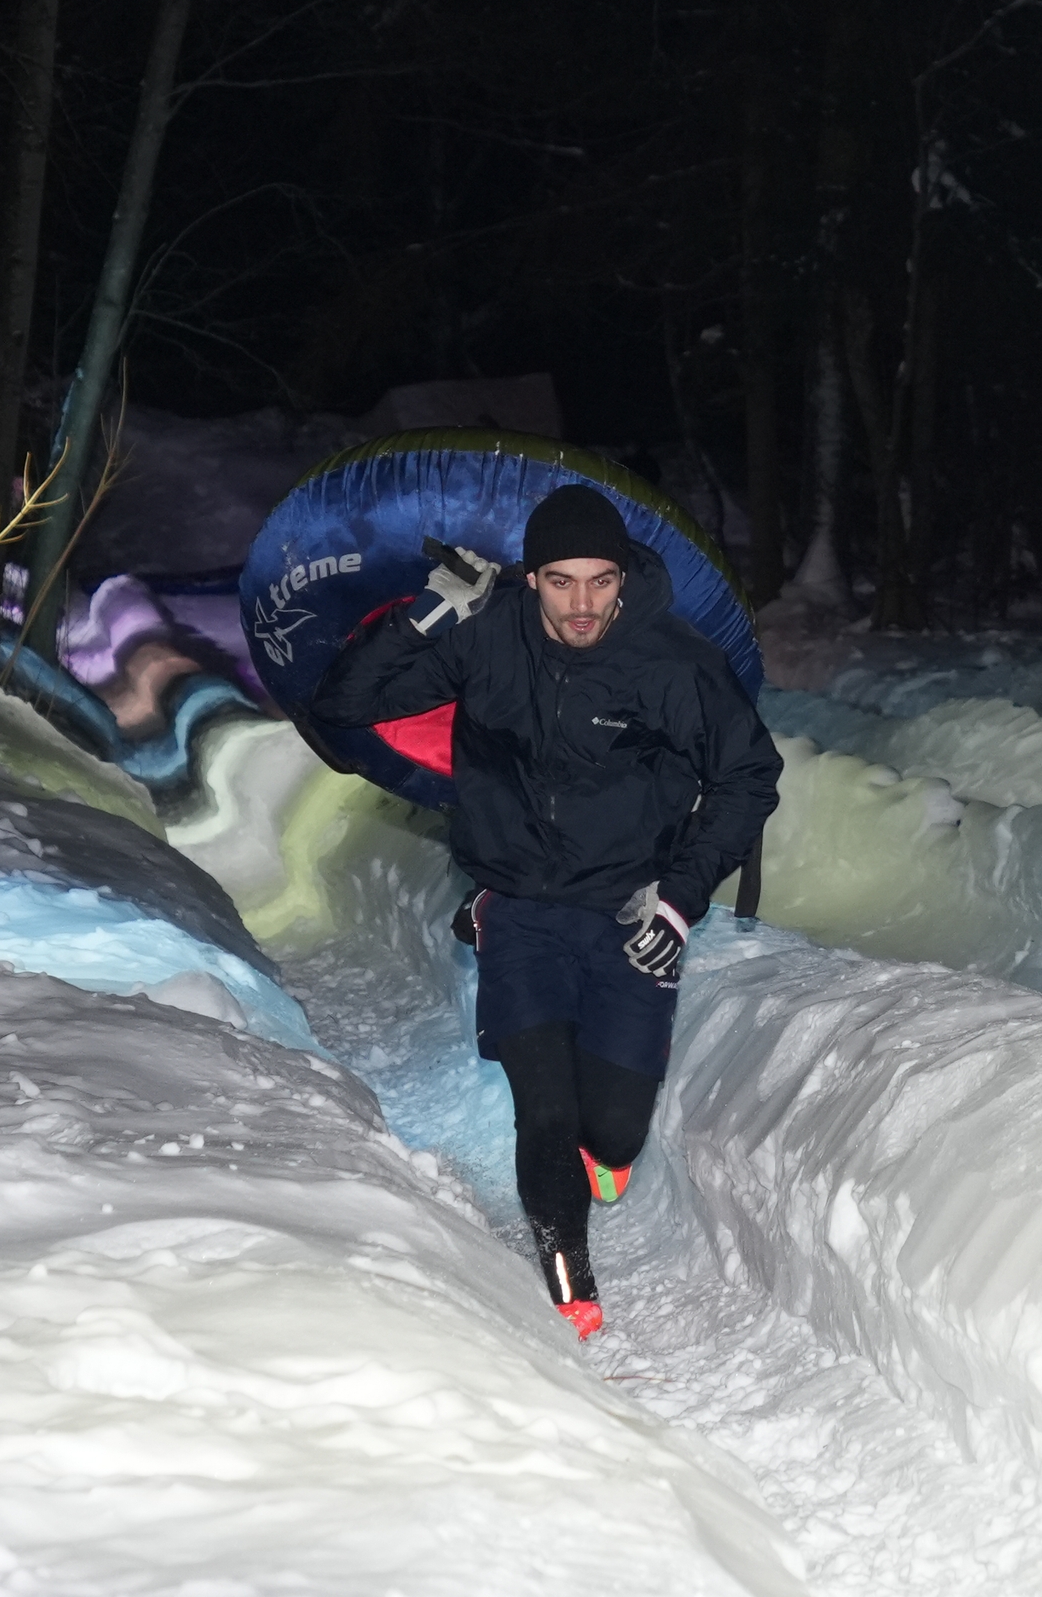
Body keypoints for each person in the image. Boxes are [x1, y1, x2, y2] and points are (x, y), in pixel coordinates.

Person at [310, 484, 782, 1340]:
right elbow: (343, 703)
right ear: (530, 579)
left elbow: (749, 776)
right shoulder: (487, 635)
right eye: (561, 581)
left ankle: (609, 1150)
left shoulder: (671, 662)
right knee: (546, 1107)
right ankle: (574, 1290)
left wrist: (680, 900)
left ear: (624, 578)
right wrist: (425, 617)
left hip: (630, 910)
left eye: (601, 580)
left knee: (614, 1131)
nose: (582, 604)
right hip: (518, 906)